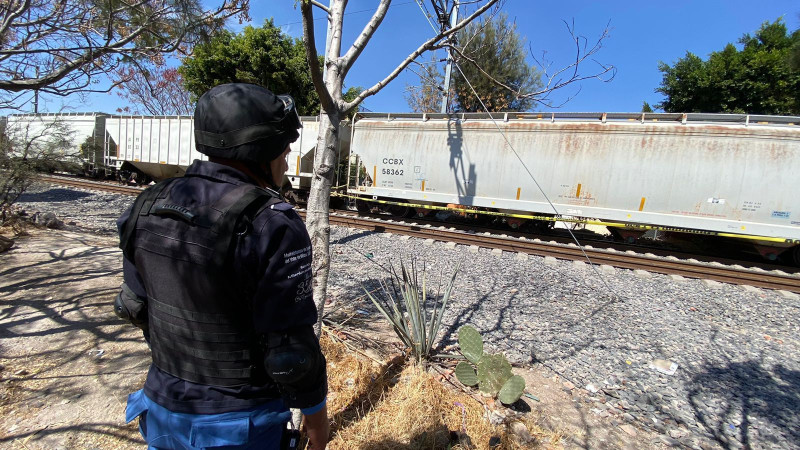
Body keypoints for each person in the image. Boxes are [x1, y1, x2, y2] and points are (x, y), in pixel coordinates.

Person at [114, 83, 329, 449]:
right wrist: (317, 425)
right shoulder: (272, 223)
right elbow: (292, 352)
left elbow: (133, 306)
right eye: (283, 146)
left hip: (161, 408)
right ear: (260, 148)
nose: (287, 155)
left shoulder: (147, 204)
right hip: (237, 426)